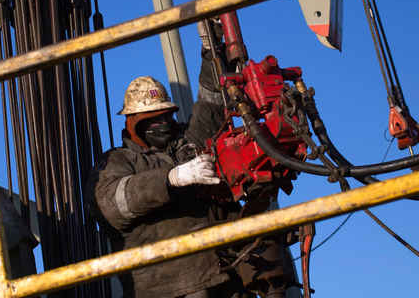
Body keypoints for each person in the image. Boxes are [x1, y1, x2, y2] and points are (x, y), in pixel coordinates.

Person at [87, 49, 289, 298]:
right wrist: (170, 179)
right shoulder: (118, 161)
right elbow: (112, 205)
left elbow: (212, 103)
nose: (161, 123)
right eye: (152, 119)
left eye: (165, 116)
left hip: (227, 275)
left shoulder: (189, 143)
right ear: (133, 123)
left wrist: (212, 50)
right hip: (170, 288)